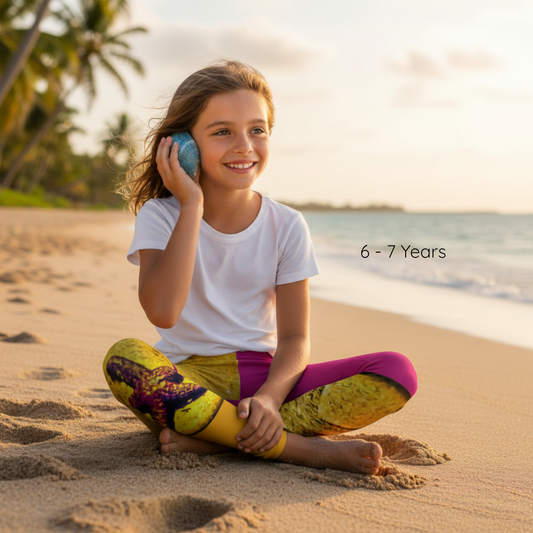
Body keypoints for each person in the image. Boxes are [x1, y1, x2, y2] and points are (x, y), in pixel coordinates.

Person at [105, 60, 418, 476]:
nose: (244, 145)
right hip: (189, 383)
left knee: (397, 371)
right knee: (124, 360)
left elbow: (295, 337)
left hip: (268, 380)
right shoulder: (161, 216)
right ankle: (300, 449)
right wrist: (192, 206)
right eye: (222, 132)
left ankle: (215, 441)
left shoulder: (287, 224)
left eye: (257, 129)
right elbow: (163, 311)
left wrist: (270, 398)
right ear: (183, 143)